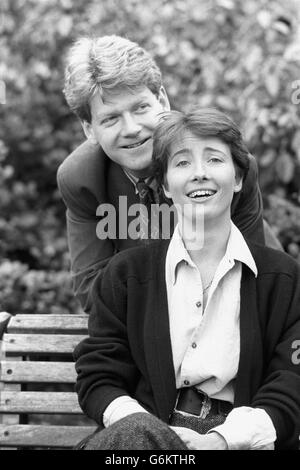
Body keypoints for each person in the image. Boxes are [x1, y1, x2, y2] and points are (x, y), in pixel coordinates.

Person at [74, 108, 300, 450]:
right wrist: (150, 434)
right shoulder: (124, 275)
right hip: (142, 440)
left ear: (238, 178)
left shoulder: (284, 279)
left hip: (241, 440)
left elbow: (291, 381)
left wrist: (222, 441)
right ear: (165, 185)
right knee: (132, 438)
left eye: (214, 160)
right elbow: (99, 376)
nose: (199, 174)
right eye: (182, 163)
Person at [57, 35, 280, 313]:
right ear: (89, 128)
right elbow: (92, 290)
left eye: (140, 108)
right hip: (151, 323)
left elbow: (254, 277)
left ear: (162, 99)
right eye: (110, 118)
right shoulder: (81, 179)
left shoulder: (223, 162)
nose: (131, 128)